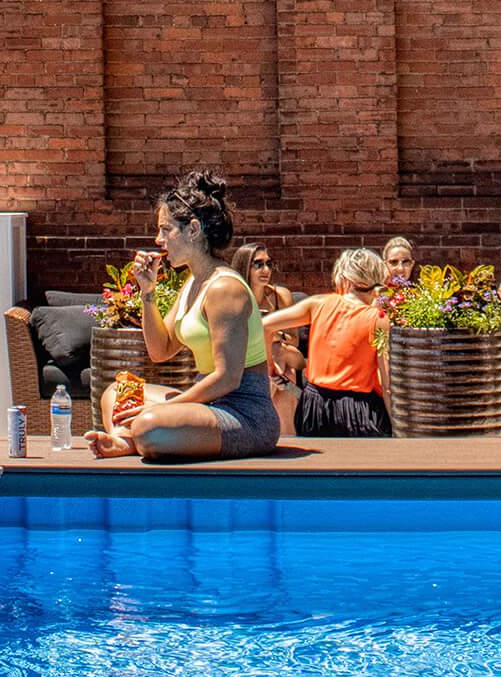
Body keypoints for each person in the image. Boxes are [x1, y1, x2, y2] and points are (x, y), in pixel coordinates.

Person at [87, 171, 281, 462]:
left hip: (244, 414)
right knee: (117, 392)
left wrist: (166, 409)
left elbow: (227, 379)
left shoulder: (225, 288)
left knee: (149, 424)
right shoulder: (193, 282)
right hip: (206, 405)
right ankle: (128, 440)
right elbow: (160, 351)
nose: (158, 239)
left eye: (166, 230)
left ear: (193, 229)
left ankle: (132, 438)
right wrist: (147, 291)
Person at [261, 248, 392, 438]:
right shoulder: (378, 319)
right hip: (358, 409)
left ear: (344, 278)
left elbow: (265, 325)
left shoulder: (318, 304)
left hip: (315, 404)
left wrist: (270, 366)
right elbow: (387, 383)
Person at [233, 241, 303, 419]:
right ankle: (285, 391)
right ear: (245, 266)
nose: (265, 270)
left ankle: (265, 395)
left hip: (287, 354)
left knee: (278, 349)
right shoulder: (235, 296)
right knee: (286, 375)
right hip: (254, 357)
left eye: (269, 264)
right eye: (258, 264)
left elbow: (293, 339)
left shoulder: (280, 295)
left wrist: (269, 332)